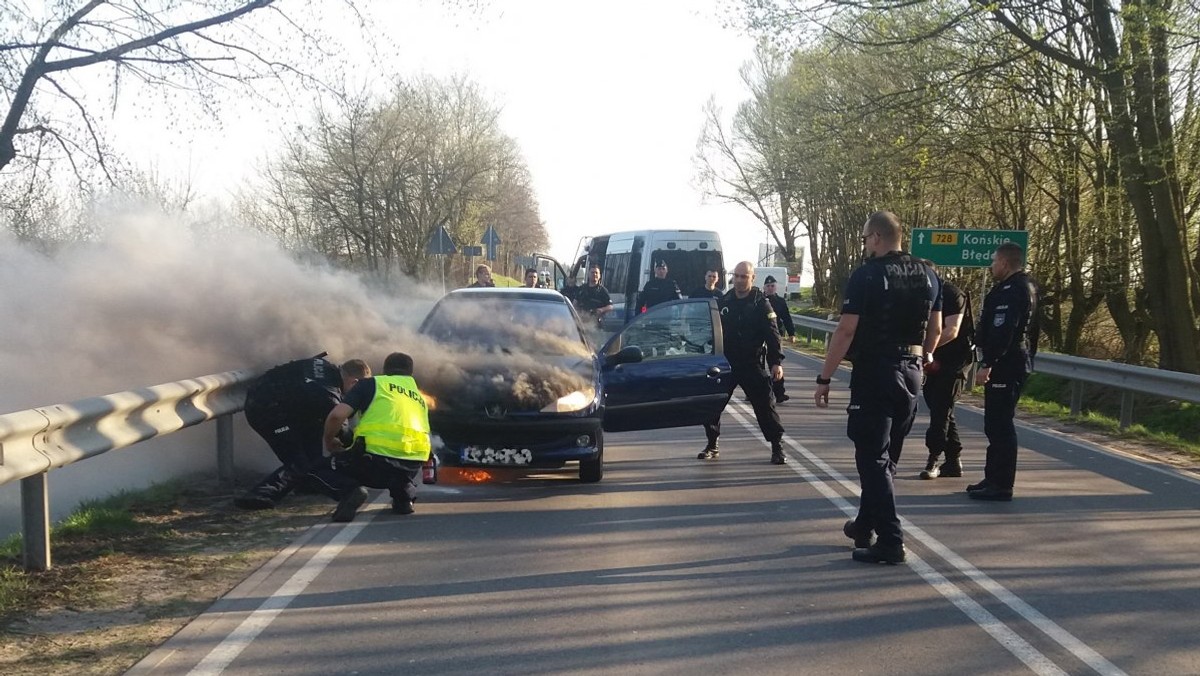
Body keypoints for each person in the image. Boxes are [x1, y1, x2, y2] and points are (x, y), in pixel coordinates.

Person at [814, 211, 942, 565]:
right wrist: (923, 357)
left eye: (865, 238)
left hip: (877, 371)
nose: (865, 245)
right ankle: (865, 525)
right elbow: (936, 329)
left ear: (876, 238)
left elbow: (846, 331)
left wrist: (825, 377)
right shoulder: (929, 274)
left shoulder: (867, 275)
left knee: (872, 459)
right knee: (886, 459)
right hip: (912, 372)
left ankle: (891, 539)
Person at [235, 355, 370, 511]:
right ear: (354, 382)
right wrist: (349, 442)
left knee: (313, 455)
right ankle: (261, 494)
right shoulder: (327, 389)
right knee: (298, 461)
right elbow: (337, 419)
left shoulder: (325, 367)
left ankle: (307, 484)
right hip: (266, 412)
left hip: (285, 408)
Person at [967, 243, 1039, 502]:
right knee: (994, 423)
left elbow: (1004, 331)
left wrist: (988, 363)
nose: (991, 265)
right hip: (1015, 361)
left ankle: (1001, 484)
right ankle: (992, 477)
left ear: (1006, 263)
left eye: (994, 261)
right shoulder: (1026, 287)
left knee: (1000, 425)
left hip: (1007, 364)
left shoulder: (1012, 290)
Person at [323, 352, 433, 521]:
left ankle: (351, 491)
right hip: (411, 466)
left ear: (384, 370)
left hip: (373, 463)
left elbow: (336, 416)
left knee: (323, 465)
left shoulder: (372, 384)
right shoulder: (420, 398)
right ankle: (404, 497)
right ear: (411, 373)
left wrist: (329, 441)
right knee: (399, 471)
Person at [697, 261, 787, 464]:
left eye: (743, 276)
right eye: (736, 276)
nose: (738, 280)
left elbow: (773, 336)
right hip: (725, 364)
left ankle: (777, 446)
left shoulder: (761, 304)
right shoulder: (724, 301)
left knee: (765, 405)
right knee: (712, 405)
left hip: (751, 363)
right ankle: (712, 445)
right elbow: (711, 332)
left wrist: (776, 362)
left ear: (752, 278)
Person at [919, 268, 974, 480]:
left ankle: (933, 458)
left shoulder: (952, 294)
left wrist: (926, 351)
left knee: (941, 410)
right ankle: (953, 460)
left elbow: (951, 330)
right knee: (939, 406)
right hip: (935, 360)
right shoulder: (924, 293)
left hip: (955, 361)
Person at [762, 275, 796, 403]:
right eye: (768, 286)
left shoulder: (780, 301)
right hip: (760, 336)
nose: (770, 288)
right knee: (758, 365)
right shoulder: (760, 299)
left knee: (775, 363)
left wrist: (791, 333)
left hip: (775, 336)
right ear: (764, 287)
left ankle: (779, 393)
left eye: (772, 286)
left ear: (775, 287)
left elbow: (786, 318)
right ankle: (754, 392)